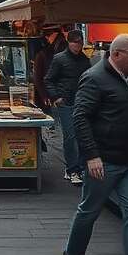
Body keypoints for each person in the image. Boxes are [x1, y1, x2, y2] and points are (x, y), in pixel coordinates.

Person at [63, 34, 128, 255]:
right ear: (117, 54)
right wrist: (92, 156)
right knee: (89, 211)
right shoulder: (94, 78)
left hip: (127, 161)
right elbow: (80, 118)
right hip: (103, 161)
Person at [45, 31, 92, 185]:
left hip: (80, 102)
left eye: (79, 43)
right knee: (70, 136)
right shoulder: (59, 59)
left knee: (80, 136)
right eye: (75, 43)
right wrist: (56, 98)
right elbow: (49, 80)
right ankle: (73, 170)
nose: (77, 46)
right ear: (69, 42)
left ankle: (74, 168)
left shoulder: (85, 60)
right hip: (65, 102)